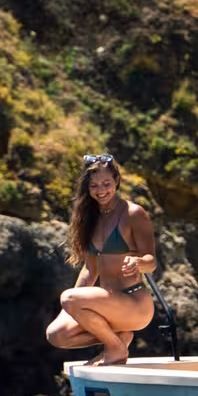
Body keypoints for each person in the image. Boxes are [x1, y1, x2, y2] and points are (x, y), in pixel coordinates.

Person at [45, 153, 156, 366]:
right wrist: (67, 309)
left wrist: (138, 262)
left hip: (134, 303)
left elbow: (151, 260)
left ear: (117, 180)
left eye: (106, 183)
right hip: (106, 303)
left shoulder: (133, 213)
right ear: (87, 188)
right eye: (94, 185)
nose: (101, 190)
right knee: (56, 334)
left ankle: (114, 349)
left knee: (69, 298)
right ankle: (119, 339)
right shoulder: (90, 219)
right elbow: (89, 270)